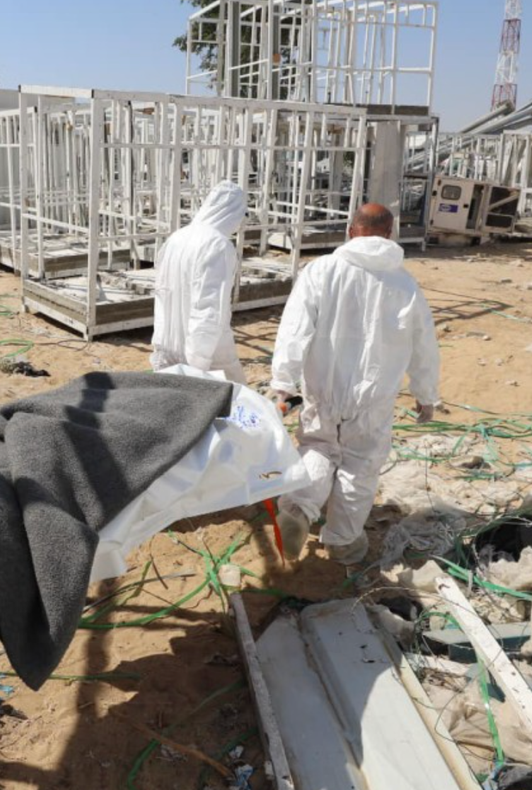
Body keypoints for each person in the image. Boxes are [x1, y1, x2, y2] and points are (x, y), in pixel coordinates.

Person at [267, 203, 440, 567]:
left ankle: (299, 508)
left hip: (323, 392)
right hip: (372, 400)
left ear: (351, 231)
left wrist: (283, 381)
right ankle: (343, 542)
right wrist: (426, 396)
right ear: (390, 234)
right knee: (359, 465)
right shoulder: (404, 284)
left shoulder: (321, 271)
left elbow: (294, 330)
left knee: (318, 448)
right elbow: (423, 346)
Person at [150, 180, 248, 383]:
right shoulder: (218, 245)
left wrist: (160, 345)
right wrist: (198, 365)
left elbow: (161, 294)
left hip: (168, 345)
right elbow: (209, 308)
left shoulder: (176, 237)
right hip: (208, 354)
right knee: (233, 403)